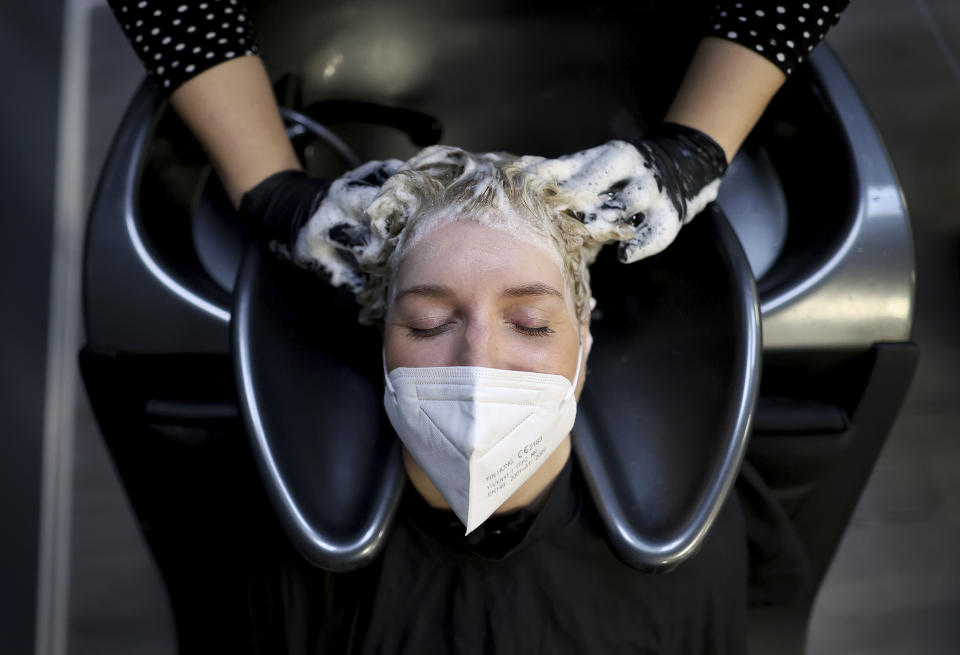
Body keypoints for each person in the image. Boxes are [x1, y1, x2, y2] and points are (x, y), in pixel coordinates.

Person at [101, 1, 852, 652]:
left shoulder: (695, 564)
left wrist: (697, 145)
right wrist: (266, 186)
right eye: (428, 323)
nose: (481, 362)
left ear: (588, 335)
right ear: (378, 337)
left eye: (529, 320)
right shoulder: (277, 570)